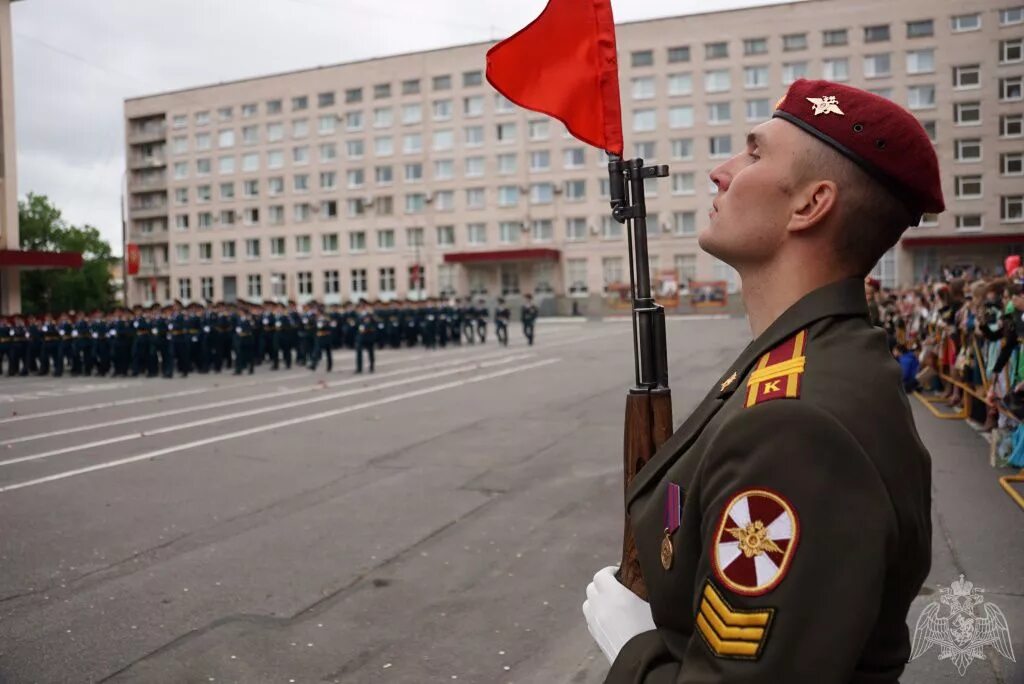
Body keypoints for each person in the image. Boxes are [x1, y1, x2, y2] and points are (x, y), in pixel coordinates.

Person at [583, 79, 942, 682]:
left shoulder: (796, 424)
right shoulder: (808, 359)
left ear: (809, 205)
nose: (720, 173)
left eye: (753, 154)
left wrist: (635, 652)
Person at [355, 300, 378, 374]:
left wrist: (369, 329)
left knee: (370, 352)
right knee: (358, 352)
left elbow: (375, 324)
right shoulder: (358, 315)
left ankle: (371, 366)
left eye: (362, 306)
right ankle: (359, 368)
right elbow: (356, 325)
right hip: (360, 337)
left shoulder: (370, 315)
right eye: (359, 306)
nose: (361, 308)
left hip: (368, 336)